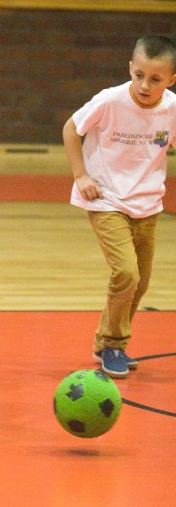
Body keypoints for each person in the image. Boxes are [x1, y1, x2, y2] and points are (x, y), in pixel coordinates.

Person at [62, 35, 176, 379]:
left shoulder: (171, 108)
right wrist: (81, 174)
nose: (144, 84)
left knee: (139, 283)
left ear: (171, 79)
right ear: (130, 68)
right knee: (126, 272)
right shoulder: (110, 100)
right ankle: (114, 343)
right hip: (106, 199)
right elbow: (71, 128)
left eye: (155, 79)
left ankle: (105, 342)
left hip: (148, 203)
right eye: (139, 74)